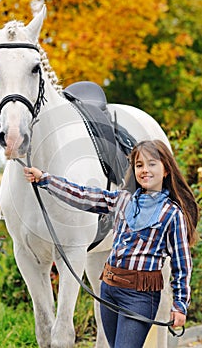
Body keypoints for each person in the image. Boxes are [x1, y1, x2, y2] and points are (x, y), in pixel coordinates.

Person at [24, 139, 199, 348]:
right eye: (139, 165)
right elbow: (83, 195)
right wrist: (45, 179)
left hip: (140, 296)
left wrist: (180, 305)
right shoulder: (123, 200)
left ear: (166, 170)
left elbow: (182, 264)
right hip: (109, 289)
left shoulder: (172, 214)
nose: (145, 170)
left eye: (152, 163)